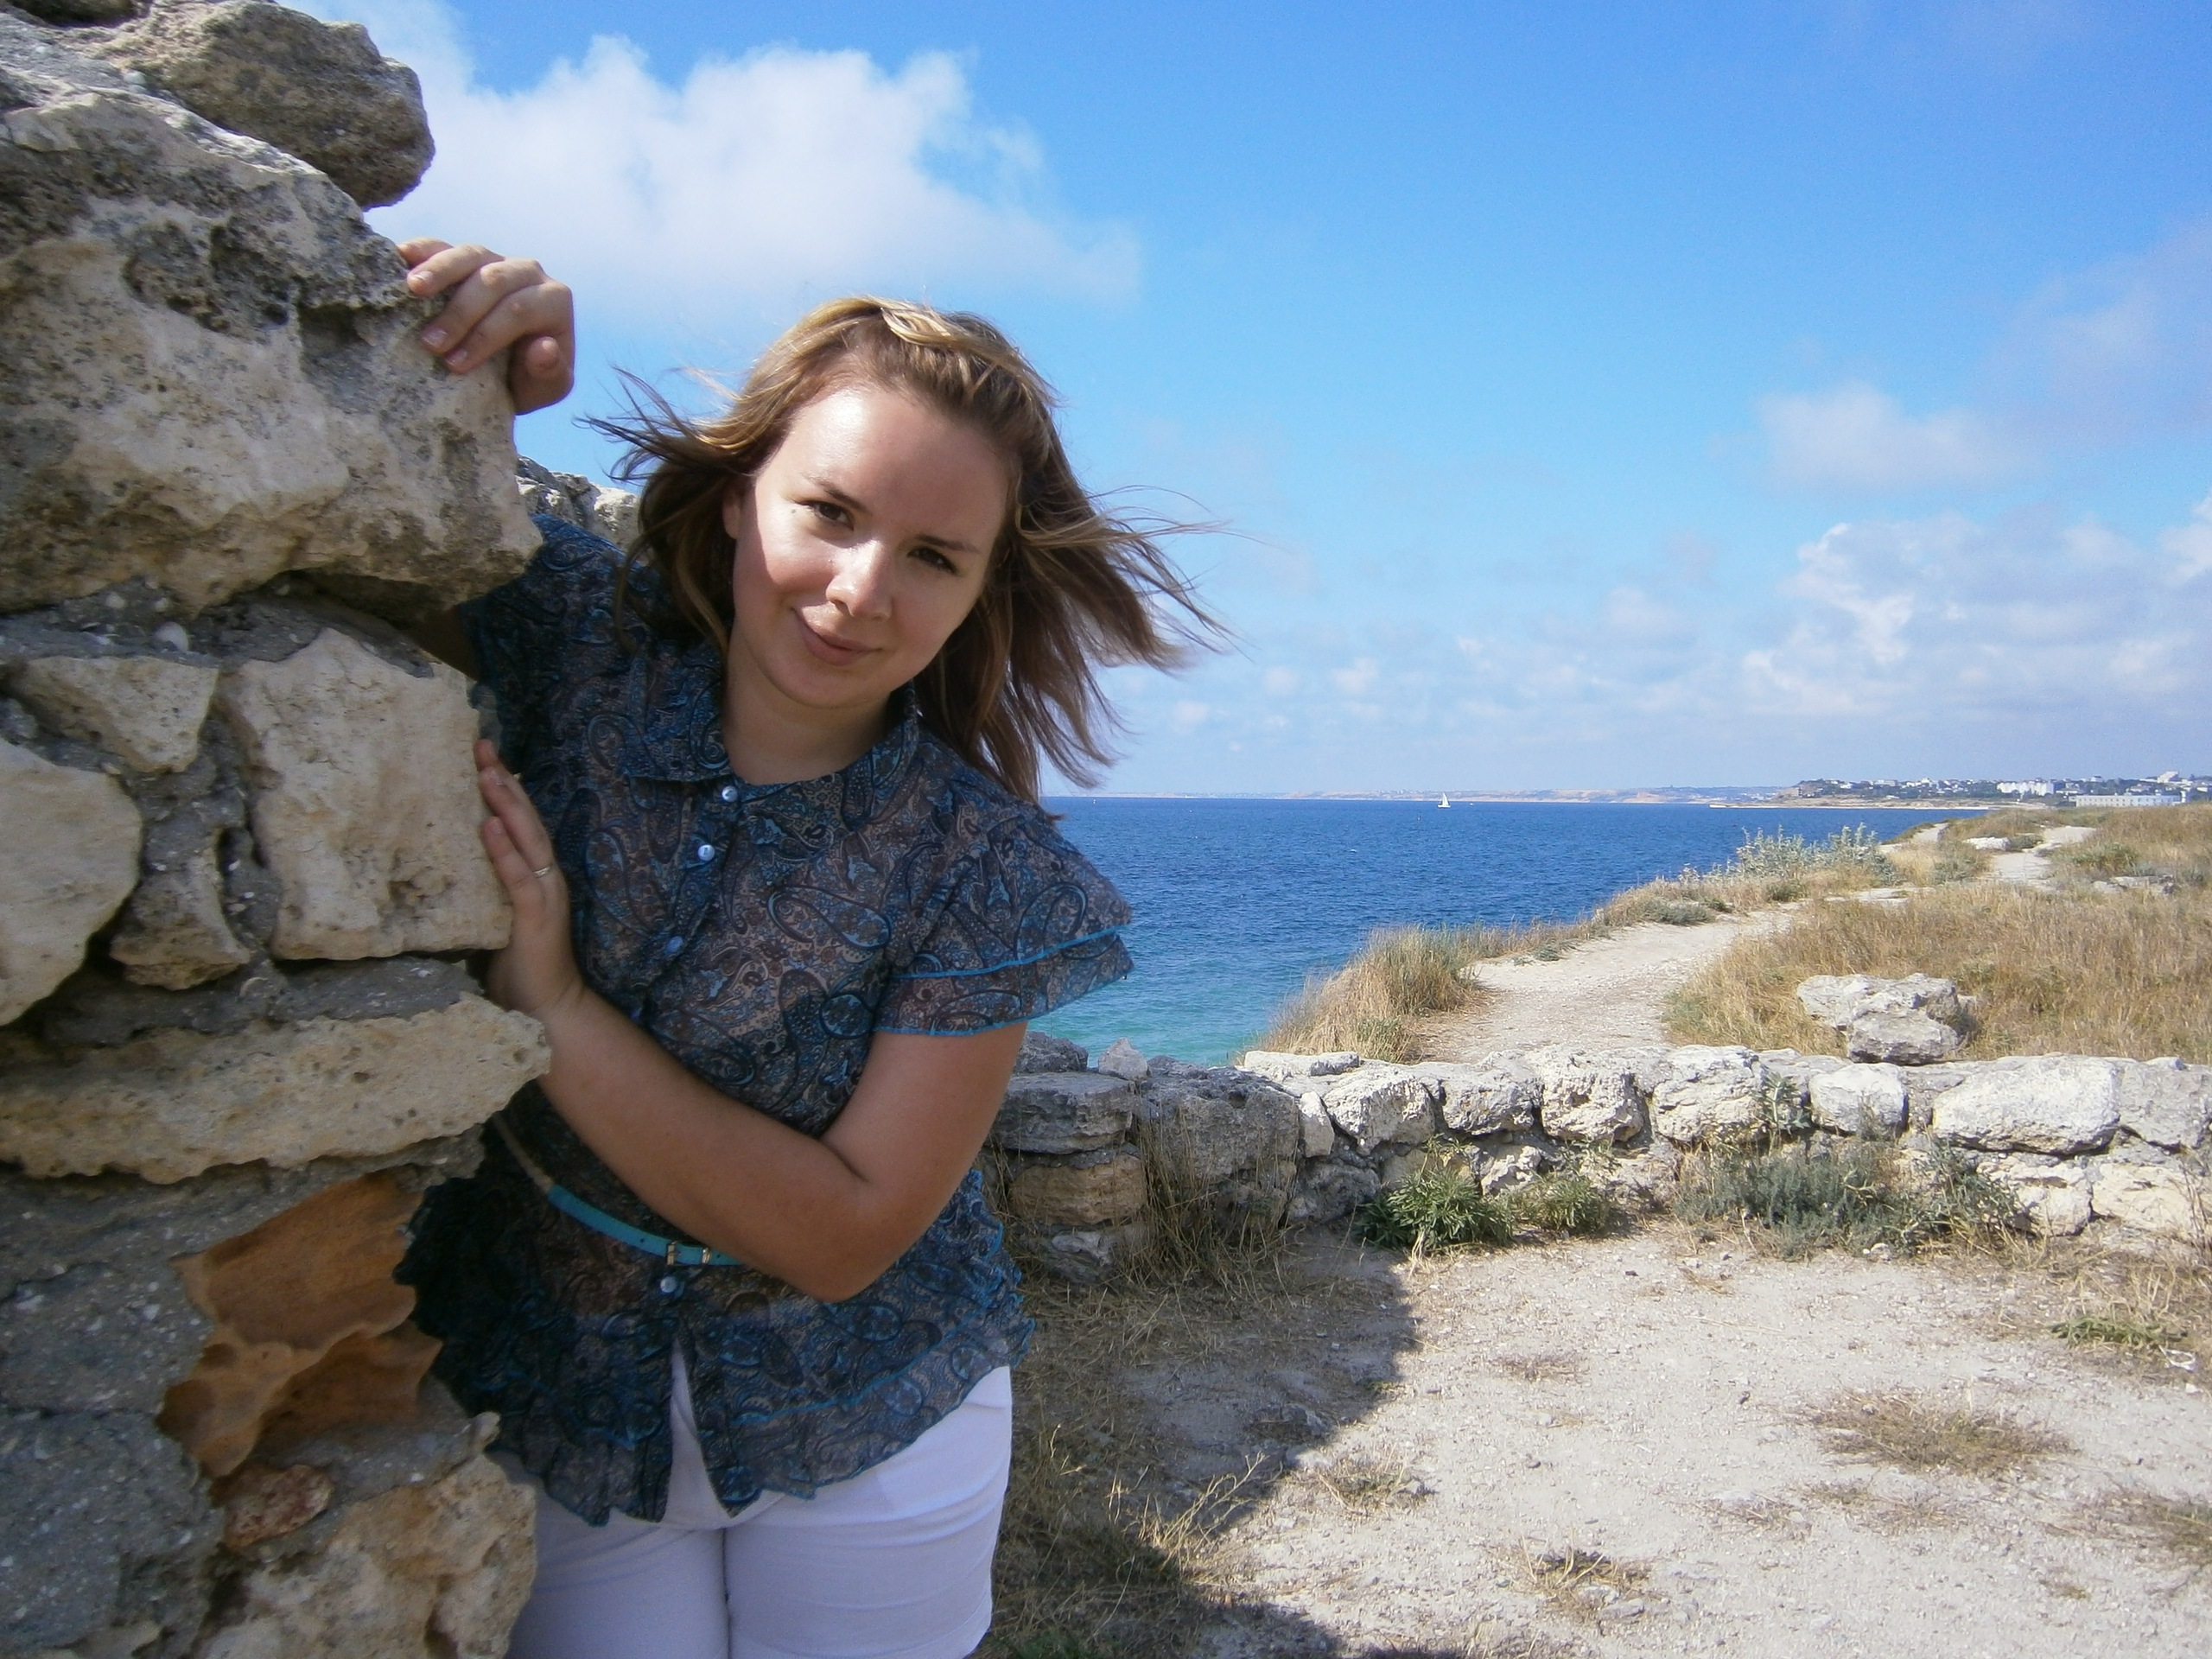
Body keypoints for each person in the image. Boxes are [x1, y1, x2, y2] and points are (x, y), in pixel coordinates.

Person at [391, 241, 1213, 1659]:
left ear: (979, 593)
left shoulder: (984, 866)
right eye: (829, 512)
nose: (860, 589)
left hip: (873, 1413)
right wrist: (475, 385)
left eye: (933, 557)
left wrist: (559, 1009)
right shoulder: (568, 639)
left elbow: (845, 1235)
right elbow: (354, 547)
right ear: (734, 496)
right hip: (557, 1389)